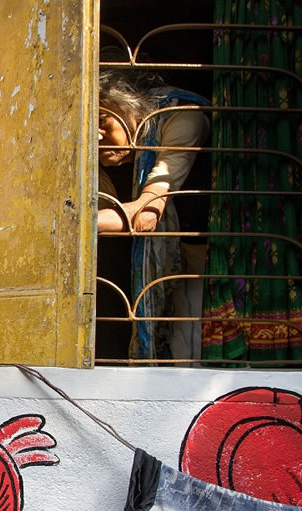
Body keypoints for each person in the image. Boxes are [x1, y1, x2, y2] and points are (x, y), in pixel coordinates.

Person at [96, 48, 209, 360]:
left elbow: (147, 213)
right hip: (141, 281)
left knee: (189, 357)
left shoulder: (179, 114)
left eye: (104, 119)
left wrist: (75, 224)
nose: (96, 135)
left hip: (203, 267)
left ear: (129, 106)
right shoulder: (97, 158)